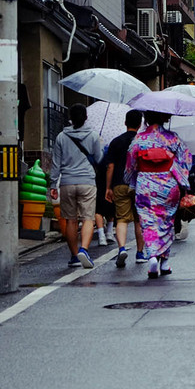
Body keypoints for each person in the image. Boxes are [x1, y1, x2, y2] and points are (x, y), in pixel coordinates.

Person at [125, 110, 192, 278]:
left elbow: (130, 164)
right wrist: (182, 180)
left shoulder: (139, 139)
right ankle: (165, 261)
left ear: (146, 119)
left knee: (147, 222)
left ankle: (152, 256)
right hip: (168, 185)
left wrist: (130, 179)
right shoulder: (172, 138)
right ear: (164, 117)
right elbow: (185, 160)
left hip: (145, 185)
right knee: (166, 221)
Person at [49, 103, 104, 269]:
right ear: (86, 117)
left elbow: (56, 163)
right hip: (87, 181)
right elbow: (99, 159)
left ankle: (74, 256)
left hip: (67, 182)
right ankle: (84, 250)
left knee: (70, 220)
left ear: (70, 118)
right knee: (88, 218)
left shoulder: (61, 137)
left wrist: (53, 184)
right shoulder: (93, 136)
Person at [103, 110, 148, 267]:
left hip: (120, 183)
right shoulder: (143, 140)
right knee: (139, 219)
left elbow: (110, 166)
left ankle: (121, 248)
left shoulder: (116, 142)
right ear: (140, 124)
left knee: (121, 218)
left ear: (125, 123)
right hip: (140, 184)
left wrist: (108, 187)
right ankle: (140, 253)